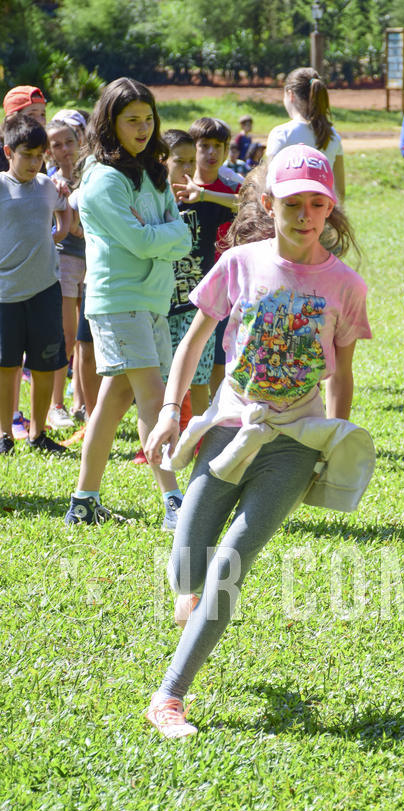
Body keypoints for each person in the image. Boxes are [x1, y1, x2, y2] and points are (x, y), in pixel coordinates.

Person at [143, 145, 374, 738]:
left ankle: (169, 697)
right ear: (269, 205)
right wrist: (172, 410)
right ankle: (187, 597)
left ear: (329, 208)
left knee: (229, 566)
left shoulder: (345, 285)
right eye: (292, 203)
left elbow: (342, 374)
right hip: (227, 429)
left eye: (316, 204)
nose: (305, 214)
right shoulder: (240, 263)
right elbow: (193, 342)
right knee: (187, 561)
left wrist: (331, 444)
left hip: (294, 441)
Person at [64, 77, 191, 529]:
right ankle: (175, 503)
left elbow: (182, 234)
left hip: (150, 299)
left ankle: (83, 501)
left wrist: (164, 235)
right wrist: (166, 235)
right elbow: (140, 240)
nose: (141, 127)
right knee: (154, 398)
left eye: (147, 118)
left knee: (115, 398)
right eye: (131, 119)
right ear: (109, 123)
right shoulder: (102, 179)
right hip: (119, 300)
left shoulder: (153, 171)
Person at [0, 114, 72, 455]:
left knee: (45, 366)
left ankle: (38, 433)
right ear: (8, 151)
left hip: (45, 289)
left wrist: (62, 228)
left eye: (39, 155)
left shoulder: (48, 185)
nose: (33, 162)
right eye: (26, 154)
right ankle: (4, 434)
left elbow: (64, 207)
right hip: (5, 293)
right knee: (7, 366)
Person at [173, 117, 240, 400]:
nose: (212, 153)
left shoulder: (231, 185)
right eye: (204, 146)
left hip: (223, 286)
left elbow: (247, 202)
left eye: (218, 146)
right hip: (180, 291)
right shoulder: (174, 187)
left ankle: (217, 417)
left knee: (219, 360)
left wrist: (205, 195)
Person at [46, 117, 87, 429]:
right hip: (65, 263)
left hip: (96, 263)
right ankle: (56, 404)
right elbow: (69, 229)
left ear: (80, 141)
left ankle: (81, 402)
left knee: (88, 338)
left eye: (69, 142)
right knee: (65, 335)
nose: (64, 149)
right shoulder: (49, 181)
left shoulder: (92, 175)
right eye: (56, 144)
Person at [266, 67, 345, 203]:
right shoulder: (333, 136)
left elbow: (269, 185)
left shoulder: (281, 134)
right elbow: (340, 192)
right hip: (323, 215)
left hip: (290, 215)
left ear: (290, 95)